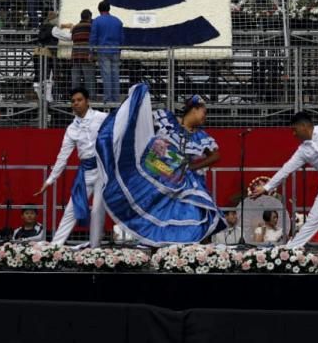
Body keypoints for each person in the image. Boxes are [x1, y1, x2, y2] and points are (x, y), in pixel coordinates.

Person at [95, 84, 224, 245]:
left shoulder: (200, 136)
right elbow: (144, 127)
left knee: (195, 214)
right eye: (204, 112)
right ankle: (159, 251)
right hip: (159, 178)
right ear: (194, 109)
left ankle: (192, 253)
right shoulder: (167, 120)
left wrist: (192, 167)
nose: (206, 116)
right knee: (157, 213)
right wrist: (140, 97)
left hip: (184, 182)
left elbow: (215, 155)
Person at [251, 111, 318, 249]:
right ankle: (290, 251)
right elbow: (286, 169)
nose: (293, 134)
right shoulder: (303, 150)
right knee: (311, 221)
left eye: (294, 129)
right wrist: (267, 187)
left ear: (303, 126)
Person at [37, 87, 108, 245]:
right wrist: (50, 181)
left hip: (103, 170)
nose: (76, 103)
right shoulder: (71, 128)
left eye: (79, 100)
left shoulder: (101, 117)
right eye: (73, 101)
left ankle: (94, 249)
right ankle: (55, 247)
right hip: (86, 172)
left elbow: (117, 129)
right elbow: (63, 156)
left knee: (97, 210)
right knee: (71, 209)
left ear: (87, 101)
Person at [90, 1, 124, 103]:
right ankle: (116, 99)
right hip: (115, 50)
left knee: (106, 75)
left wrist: (91, 51)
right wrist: (120, 48)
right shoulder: (118, 21)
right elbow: (122, 38)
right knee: (115, 75)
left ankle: (108, 99)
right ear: (109, 9)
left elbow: (93, 37)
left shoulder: (97, 21)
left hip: (103, 50)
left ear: (99, 10)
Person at [68, 10, 96, 99]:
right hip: (86, 56)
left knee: (75, 80)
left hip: (75, 56)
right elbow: (93, 40)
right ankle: (90, 99)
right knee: (89, 79)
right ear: (89, 17)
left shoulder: (75, 27)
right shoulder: (91, 27)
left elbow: (72, 38)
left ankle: (75, 98)